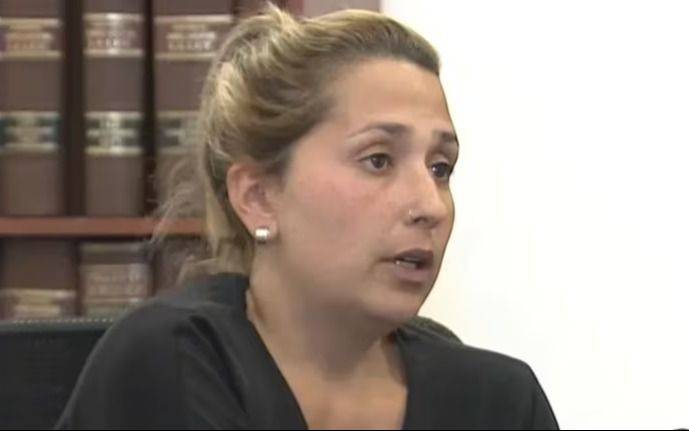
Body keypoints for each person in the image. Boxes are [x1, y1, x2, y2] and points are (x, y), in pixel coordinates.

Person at [56, 5, 558, 430]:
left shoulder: (499, 402)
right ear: (258, 197)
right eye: (378, 160)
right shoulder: (172, 361)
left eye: (440, 168)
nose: (430, 205)